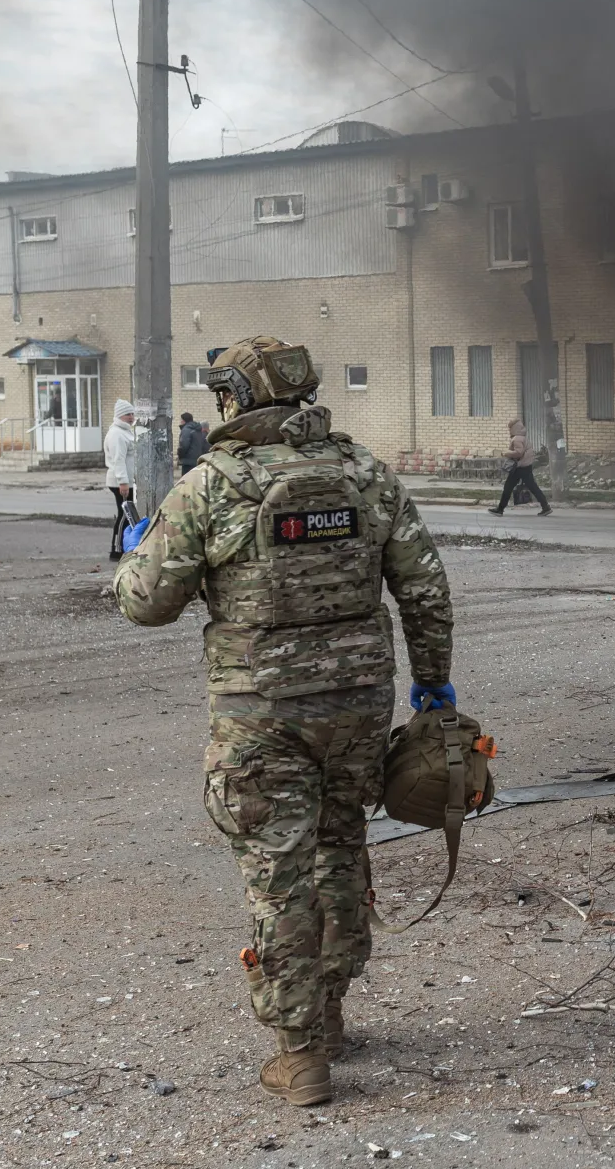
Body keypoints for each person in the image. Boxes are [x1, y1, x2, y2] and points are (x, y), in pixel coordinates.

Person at [112, 335, 455, 1108]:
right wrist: (434, 686)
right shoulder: (363, 473)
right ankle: (331, 1017)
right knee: (341, 848)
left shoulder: (211, 486)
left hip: (262, 715)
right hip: (359, 706)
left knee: (278, 872)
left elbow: (145, 603)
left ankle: (300, 1052)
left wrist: (140, 548)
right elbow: (425, 588)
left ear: (234, 398)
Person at [488, 417, 551, 516]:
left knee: (508, 488)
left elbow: (518, 453)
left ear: (514, 428)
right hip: (526, 466)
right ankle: (545, 507)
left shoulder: (517, 438)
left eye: (510, 428)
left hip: (519, 467)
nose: (509, 430)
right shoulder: (523, 437)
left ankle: (500, 510)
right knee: (533, 487)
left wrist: (507, 453)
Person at [102, 399, 138, 560]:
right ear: (119, 416)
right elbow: (118, 460)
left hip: (128, 481)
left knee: (128, 515)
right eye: (127, 414)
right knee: (124, 515)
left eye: (132, 414)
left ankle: (124, 547)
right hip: (121, 483)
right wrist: (123, 482)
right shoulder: (117, 433)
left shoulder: (126, 431)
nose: (131, 417)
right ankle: (116, 550)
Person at [177, 409, 208, 475]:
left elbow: (183, 445)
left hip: (188, 461)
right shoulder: (197, 429)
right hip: (197, 460)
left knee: (186, 482)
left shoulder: (186, 429)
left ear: (184, 420)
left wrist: (180, 455)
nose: (180, 421)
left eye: (181, 419)